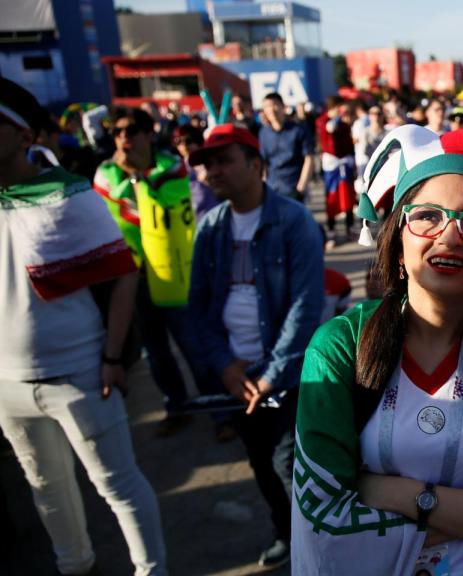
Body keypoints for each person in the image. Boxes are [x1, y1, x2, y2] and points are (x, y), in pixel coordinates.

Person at [292, 124, 463, 575]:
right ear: (396, 242)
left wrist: (398, 493)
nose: (450, 237)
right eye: (427, 216)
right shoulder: (339, 346)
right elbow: (325, 524)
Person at [0, 77, 167, 576]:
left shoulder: (69, 195)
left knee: (116, 484)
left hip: (81, 371)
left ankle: (151, 571)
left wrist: (113, 357)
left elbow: (123, 275)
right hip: (8, 381)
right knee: (44, 486)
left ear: (24, 135)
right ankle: (74, 567)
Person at [188, 123, 325, 568]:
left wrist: (272, 374)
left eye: (224, 160)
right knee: (259, 461)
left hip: (285, 375)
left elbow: (306, 306)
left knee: (289, 464)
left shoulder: (294, 222)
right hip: (236, 375)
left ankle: (314, 545)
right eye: (208, 163)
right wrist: (225, 366)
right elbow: (200, 307)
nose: (213, 170)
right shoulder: (210, 228)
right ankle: (285, 533)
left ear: (256, 165)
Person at [93, 107, 203, 436]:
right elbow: (106, 217)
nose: (123, 138)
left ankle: (220, 413)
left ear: (148, 134)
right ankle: (176, 406)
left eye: (130, 131)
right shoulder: (105, 175)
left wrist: (136, 178)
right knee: (156, 352)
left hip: (174, 275)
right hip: (133, 279)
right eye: (117, 132)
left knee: (194, 346)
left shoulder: (171, 167)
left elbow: (165, 206)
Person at [259, 92, 315, 202]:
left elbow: (309, 158)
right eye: (267, 106)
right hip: (272, 188)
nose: (271, 110)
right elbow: (263, 163)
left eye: (274, 104)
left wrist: (301, 187)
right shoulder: (263, 133)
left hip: (293, 187)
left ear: (283, 106)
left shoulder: (299, 130)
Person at [316, 97, 358, 241]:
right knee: (332, 198)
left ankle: (350, 228)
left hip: (345, 164)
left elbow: (349, 144)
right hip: (331, 166)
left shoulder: (344, 123)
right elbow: (329, 129)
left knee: (348, 197)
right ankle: (331, 230)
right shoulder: (322, 121)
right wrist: (337, 119)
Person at [172, 124, 219, 221]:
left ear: (198, 141)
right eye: (178, 141)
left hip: (216, 222)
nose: (184, 145)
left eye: (188, 140)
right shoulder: (175, 170)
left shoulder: (213, 165)